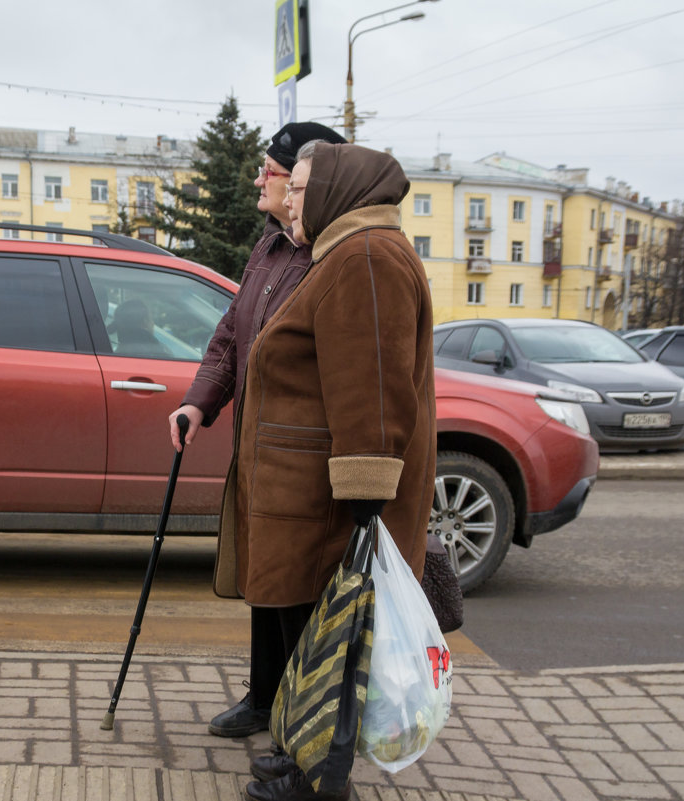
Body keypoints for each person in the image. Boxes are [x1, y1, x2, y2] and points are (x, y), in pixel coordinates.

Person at [231, 140, 437, 801]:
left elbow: (370, 390)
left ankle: (321, 780)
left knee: (334, 643)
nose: (289, 198)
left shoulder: (366, 258)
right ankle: (298, 753)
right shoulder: (345, 254)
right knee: (310, 643)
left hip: (330, 505)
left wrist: (364, 506)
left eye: (300, 187)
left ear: (336, 190)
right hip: (309, 496)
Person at [167, 122, 347, 740]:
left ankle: (304, 719)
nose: (259, 181)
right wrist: (200, 403)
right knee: (264, 578)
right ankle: (264, 696)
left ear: (307, 181)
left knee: (296, 587)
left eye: (269, 171)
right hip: (257, 445)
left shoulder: (330, 257)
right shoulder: (269, 250)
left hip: (300, 455)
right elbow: (229, 335)